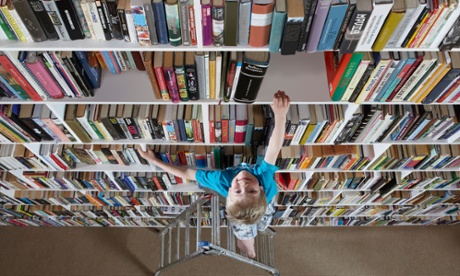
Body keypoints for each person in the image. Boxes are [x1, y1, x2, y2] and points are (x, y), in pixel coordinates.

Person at [138, 90, 290, 258]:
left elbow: (188, 172)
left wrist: (155, 161)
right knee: (253, 226)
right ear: (261, 189)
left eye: (238, 191)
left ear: (230, 194)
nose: (244, 185)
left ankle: (247, 245)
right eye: (251, 191)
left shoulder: (222, 181)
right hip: (265, 204)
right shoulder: (265, 180)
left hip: (260, 208)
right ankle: (250, 247)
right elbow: (274, 149)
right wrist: (280, 116)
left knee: (246, 230)